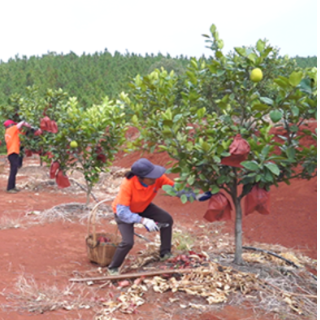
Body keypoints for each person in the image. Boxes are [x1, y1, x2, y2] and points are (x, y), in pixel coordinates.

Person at [108, 158, 212, 275]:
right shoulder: (128, 185)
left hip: (143, 206)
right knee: (128, 242)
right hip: (125, 212)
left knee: (166, 219)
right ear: (140, 177)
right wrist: (144, 221)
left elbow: (175, 188)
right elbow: (122, 212)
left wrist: (194, 196)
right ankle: (113, 267)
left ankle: (165, 253)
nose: (154, 178)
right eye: (151, 176)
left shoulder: (156, 179)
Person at [4, 120, 31, 193]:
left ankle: (13, 187)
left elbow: (22, 134)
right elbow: (20, 125)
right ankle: (10, 188)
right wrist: (25, 123)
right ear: (11, 125)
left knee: (14, 170)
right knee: (13, 171)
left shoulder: (11, 132)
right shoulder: (10, 129)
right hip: (13, 153)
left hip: (13, 153)